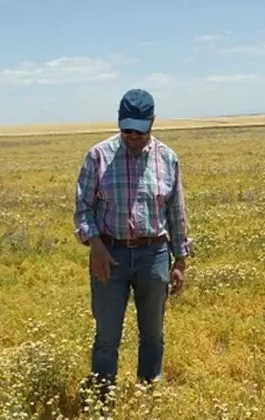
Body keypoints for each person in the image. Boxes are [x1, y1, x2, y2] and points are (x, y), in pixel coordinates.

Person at [73, 88, 190, 398]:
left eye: (139, 129)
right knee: (107, 335)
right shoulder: (98, 155)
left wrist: (180, 260)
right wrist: (94, 242)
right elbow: (83, 208)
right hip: (109, 256)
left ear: (152, 122)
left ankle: (149, 393)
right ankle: (102, 398)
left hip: (154, 254)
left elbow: (176, 212)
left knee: (152, 334)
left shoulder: (167, 158)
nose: (132, 136)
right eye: (126, 129)